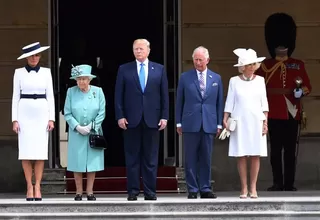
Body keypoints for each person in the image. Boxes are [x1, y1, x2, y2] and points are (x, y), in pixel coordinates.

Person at [256, 13, 312, 191]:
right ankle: (277, 182)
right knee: (275, 151)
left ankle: (289, 183)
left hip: (292, 111)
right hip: (272, 112)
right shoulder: (265, 65)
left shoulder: (298, 64)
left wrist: (299, 92)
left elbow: (308, 86)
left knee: (290, 151)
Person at [114, 39, 169, 201]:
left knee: (151, 158)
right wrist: (120, 116)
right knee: (132, 157)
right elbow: (119, 95)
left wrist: (164, 116)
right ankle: (133, 191)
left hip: (153, 119)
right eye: (136, 49)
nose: (138, 51)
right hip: (131, 120)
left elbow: (164, 95)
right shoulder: (124, 69)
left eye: (141, 49)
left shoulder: (159, 69)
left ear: (148, 50)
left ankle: (150, 191)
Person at [176, 46, 223, 199]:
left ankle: (205, 188)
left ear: (207, 60)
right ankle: (192, 189)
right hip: (190, 122)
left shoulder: (216, 78)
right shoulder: (185, 77)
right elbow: (179, 101)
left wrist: (219, 124)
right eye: (195, 59)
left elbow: (219, 102)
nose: (197, 62)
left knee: (206, 158)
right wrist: (178, 123)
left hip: (209, 122)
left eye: (200, 60)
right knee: (190, 158)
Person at [11, 42, 55, 201]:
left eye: (37, 55)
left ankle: (38, 186)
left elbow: (50, 96)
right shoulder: (19, 73)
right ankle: (29, 185)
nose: (34, 58)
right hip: (24, 113)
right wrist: (14, 119)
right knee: (26, 152)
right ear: (26, 57)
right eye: (31, 55)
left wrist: (52, 118)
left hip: (42, 113)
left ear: (40, 56)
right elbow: (15, 96)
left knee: (40, 153)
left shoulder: (46, 72)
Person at [224, 48, 268, 199]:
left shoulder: (261, 81)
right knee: (241, 154)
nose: (250, 67)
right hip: (239, 120)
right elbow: (230, 101)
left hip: (256, 120)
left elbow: (264, 104)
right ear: (242, 67)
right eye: (248, 65)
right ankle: (244, 188)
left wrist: (265, 122)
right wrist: (225, 118)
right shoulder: (233, 81)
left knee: (255, 154)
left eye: (253, 64)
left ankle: (253, 187)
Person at [64, 64, 106, 201]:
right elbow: (67, 113)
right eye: (78, 79)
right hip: (77, 133)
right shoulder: (71, 91)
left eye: (84, 79)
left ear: (90, 79)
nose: (81, 81)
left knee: (92, 162)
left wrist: (92, 125)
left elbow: (102, 111)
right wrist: (77, 127)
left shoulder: (98, 91)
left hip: (93, 132)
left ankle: (90, 191)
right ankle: (78, 192)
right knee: (77, 162)